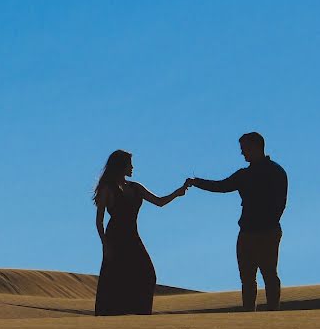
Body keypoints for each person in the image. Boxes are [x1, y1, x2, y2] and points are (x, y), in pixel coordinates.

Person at [186, 132, 287, 312]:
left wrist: (267, 224)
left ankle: (273, 314)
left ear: (256, 147)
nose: (242, 153)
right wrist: (197, 182)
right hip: (248, 232)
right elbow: (221, 186)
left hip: (267, 232)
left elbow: (280, 203)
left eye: (245, 149)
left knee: (269, 274)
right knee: (248, 277)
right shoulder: (246, 174)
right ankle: (249, 315)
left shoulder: (275, 172)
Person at [93, 150, 188, 316]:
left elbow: (159, 202)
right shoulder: (107, 188)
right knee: (116, 278)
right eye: (129, 163)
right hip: (115, 237)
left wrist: (177, 193)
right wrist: (105, 245)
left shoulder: (136, 187)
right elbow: (99, 221)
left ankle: (140, 314)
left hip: (132, 235)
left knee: (147, 274)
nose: (132, 167)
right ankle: (114, 316)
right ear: (120, 165)